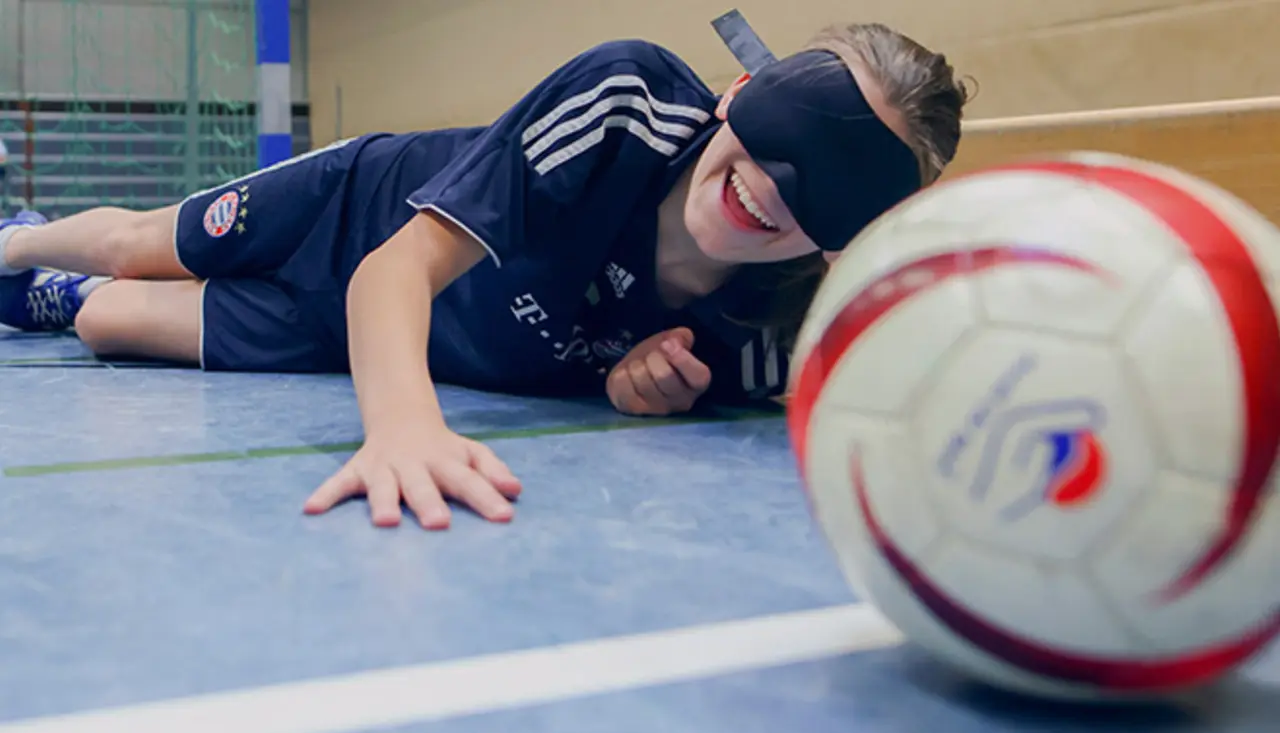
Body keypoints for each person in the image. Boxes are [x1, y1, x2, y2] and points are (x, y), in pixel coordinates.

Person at [0, 22, 969, 530]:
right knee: (131, 247)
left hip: (370, 339)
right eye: (785, 138)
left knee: (108, 326)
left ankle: (54, 302)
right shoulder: (625, 101)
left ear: (849, 234)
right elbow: (397, 270)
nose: (773, 189)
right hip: (360, 216)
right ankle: (17, 245)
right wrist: (406, 428)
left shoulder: (770, 337)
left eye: (828, 197)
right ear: (738, 97)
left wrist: (630, 388)